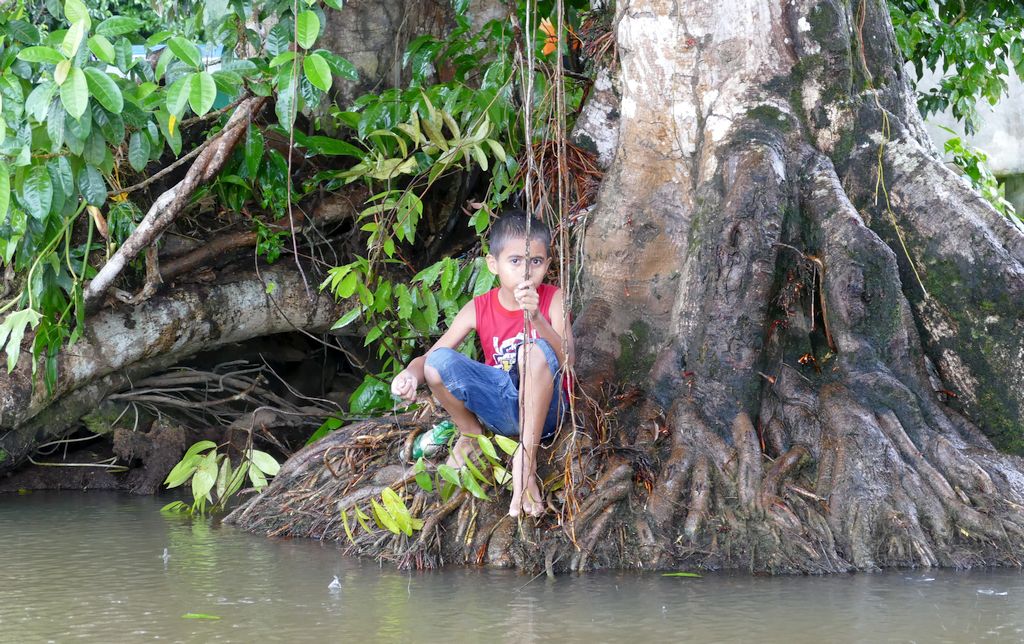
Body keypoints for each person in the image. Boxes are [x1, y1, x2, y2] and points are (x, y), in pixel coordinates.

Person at [390, 209, 573, 518]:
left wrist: (538, 320)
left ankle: (525, 461)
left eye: (536, 262)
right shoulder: (479, 308)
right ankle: (470, 435)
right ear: (494, 264)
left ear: (547, 265)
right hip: (501, 408)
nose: (526, 272)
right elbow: (430, 358)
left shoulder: (553, 298)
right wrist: (409, 374)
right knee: (438, 363)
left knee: (534, 352)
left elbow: (568, 362)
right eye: (515, 261)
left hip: (548, 410)